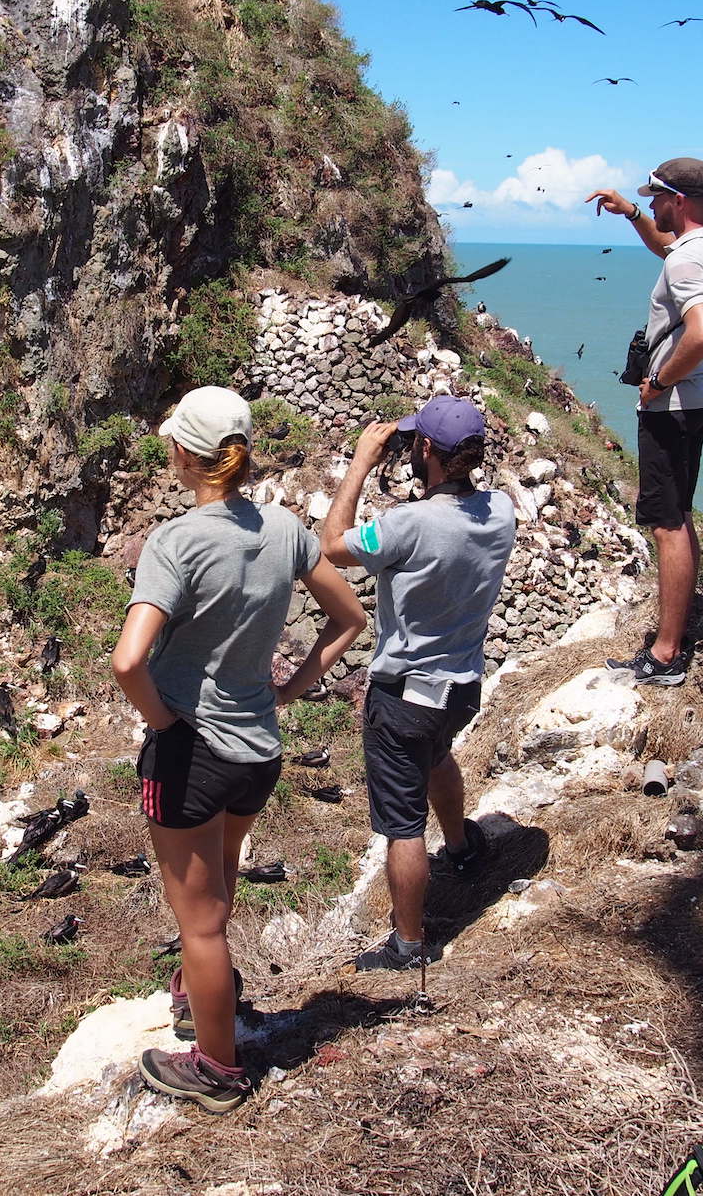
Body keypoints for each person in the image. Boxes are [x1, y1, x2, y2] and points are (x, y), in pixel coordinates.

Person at [112, 385, 366, 1112]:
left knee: (201, 920)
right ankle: (202, 996)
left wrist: (164, 725)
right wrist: (289, 691)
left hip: (192, 754)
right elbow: (347, 617)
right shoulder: (283, 529)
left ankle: (217, 1070)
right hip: (258, 750)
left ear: (186, 456)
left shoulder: (175, 541)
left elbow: (129, 661)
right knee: (218, 886)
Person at [320, 396, 516, 970]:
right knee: (438, 758)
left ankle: (408, 945)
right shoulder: (501, 510)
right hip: (461, 687)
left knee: (403, 826)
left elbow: (333, 546)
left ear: (426, 450)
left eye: (412, 443)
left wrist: (359, 462)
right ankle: (460, 846)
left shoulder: (407, 525)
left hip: (403, 695)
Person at [584, 157, 703, 686]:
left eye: (655, 199)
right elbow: (665, 248)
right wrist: (629, 215)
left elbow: (701, 333)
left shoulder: (685, 264)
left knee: (666, 525)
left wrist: (659, 382)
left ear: (679, 200)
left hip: (673, 407)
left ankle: (666, 653)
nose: (651, 205)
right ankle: (680, 626)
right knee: (681, 513)